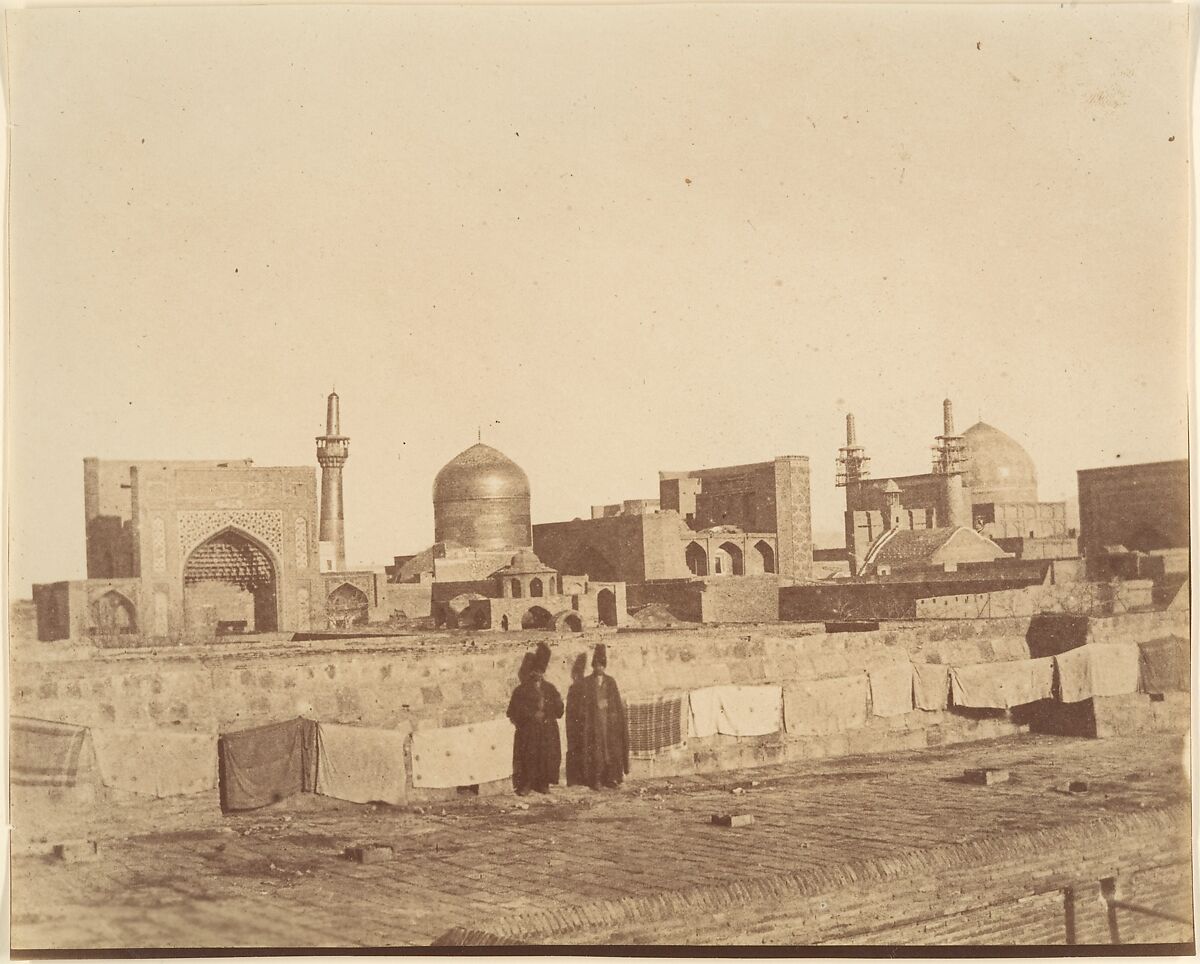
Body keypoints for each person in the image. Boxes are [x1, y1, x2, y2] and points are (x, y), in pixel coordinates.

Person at [506, 642, 563, 795]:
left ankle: (543, 784)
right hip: (529, 729)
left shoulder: (550, 688)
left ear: (543, 672)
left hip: (547, 729)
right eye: (535, 671)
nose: (538, 674)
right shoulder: (521, 690)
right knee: (529, 756)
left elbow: (559, 711)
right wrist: (531, 715)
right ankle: (526, 785)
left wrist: (556, 704)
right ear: (531, 672)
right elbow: (513, 711)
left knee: (546, 756)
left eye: (540, 671)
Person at [574, 644, 629, 790]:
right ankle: (596, 780)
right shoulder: (586, 682)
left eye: (602, 665)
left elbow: (616, 702)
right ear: (593, 666)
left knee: (610, 750)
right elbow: (582, 705)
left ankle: (611, 779)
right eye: (596, 665)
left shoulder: (610, 681)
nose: (599, 668)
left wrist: (608, 704)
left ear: (604, 666)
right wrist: (593, 705)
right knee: (596, 751)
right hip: (594, 724)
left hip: (608, 724)